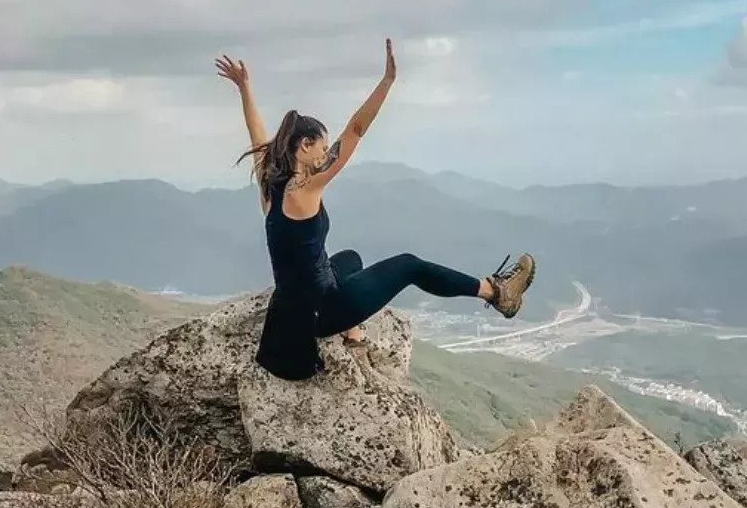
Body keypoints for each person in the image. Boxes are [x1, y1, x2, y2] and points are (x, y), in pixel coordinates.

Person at [216, 40, 537, 382]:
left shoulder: (270, 182)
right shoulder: (304, 189)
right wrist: (386, 82)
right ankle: (495, 292)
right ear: (305, 145)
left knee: (350, 259)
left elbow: (257, 137)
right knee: (409, 265)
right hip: (321, 310)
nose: (325, 154)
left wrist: (244, 89)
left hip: (294, 304)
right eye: (322, 147)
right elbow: (355, 130)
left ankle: (353, 334)